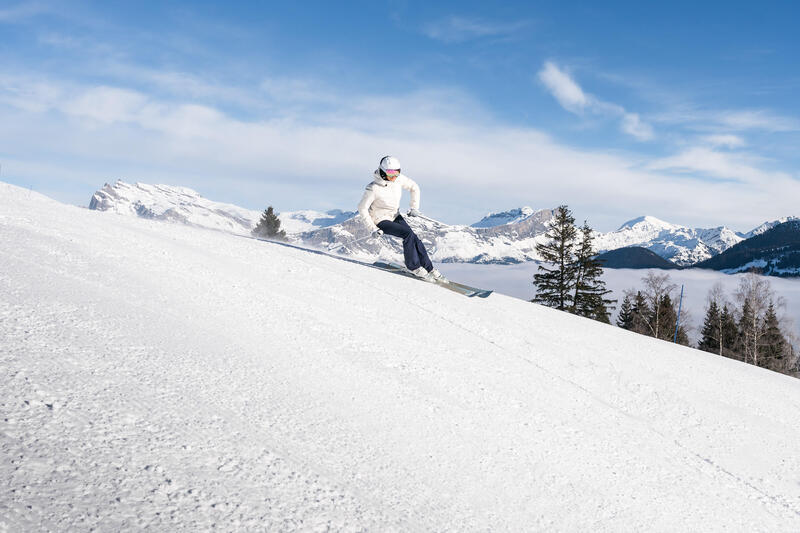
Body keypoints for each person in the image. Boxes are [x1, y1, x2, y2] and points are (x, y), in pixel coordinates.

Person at [357, 155, 445, 281]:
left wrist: (414, 207)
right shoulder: (373, 188)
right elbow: (362, 208)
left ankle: (429, 268)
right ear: (382, 172)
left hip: (394, 215)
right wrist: (372, 228)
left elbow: (414, 187)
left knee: (414, 238)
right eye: (390, 175)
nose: (394, 178)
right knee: (407, 234)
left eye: (397, 173)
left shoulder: (398, 179)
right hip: (380, 219)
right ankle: (413, 267)